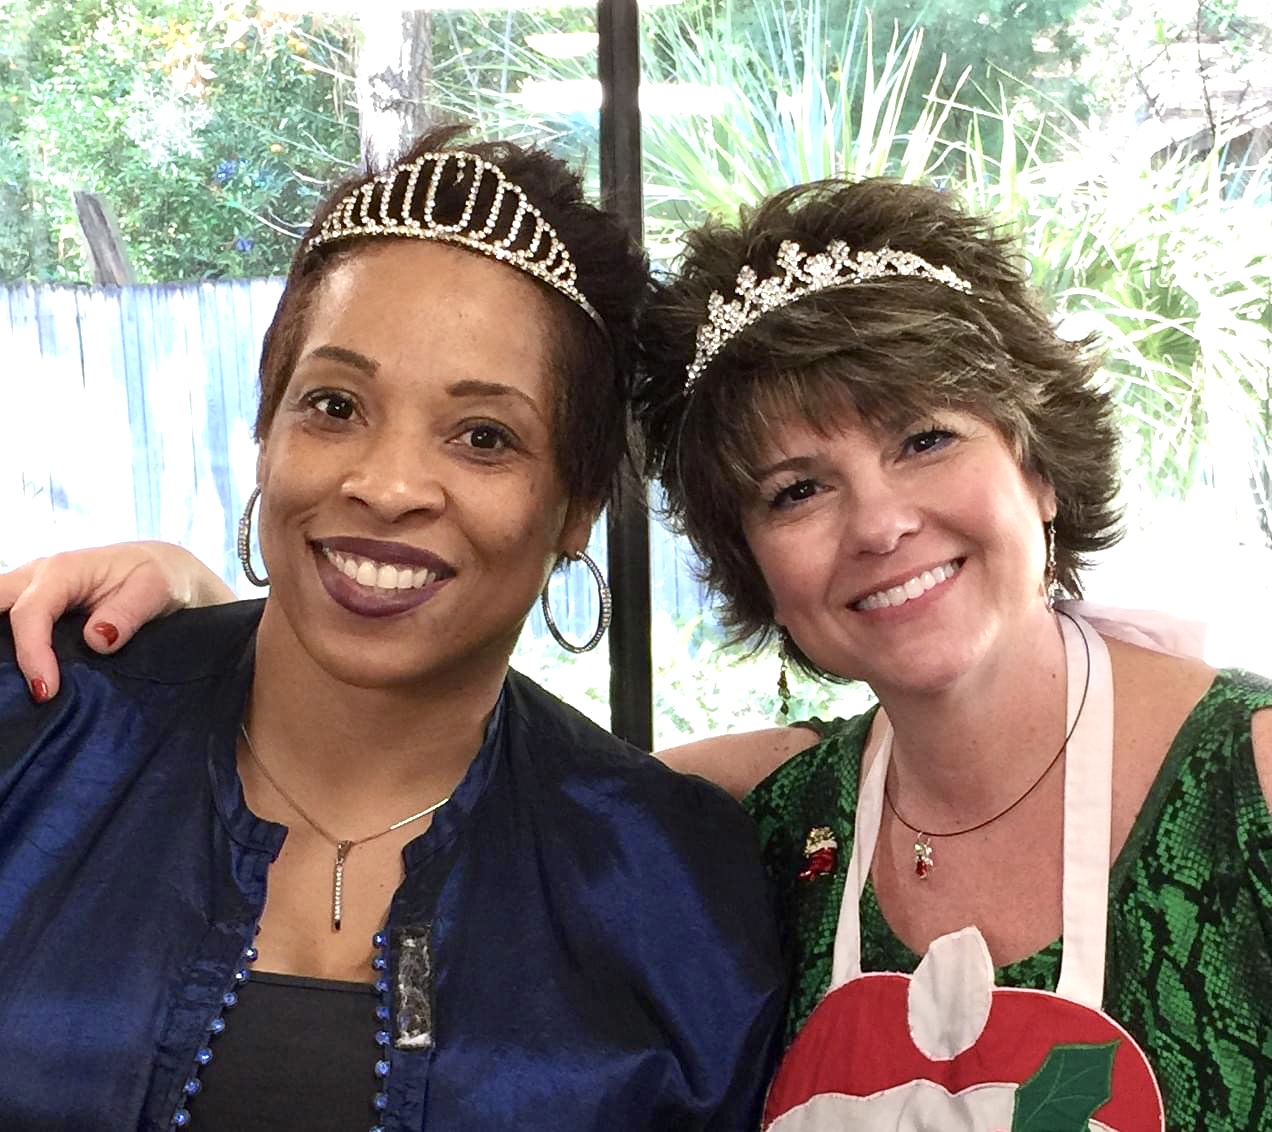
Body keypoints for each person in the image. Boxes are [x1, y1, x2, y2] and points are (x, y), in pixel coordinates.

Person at [8, 178, 1272, 1129]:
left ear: (1038, 463)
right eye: (795, 489)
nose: (880, 523)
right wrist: (195, 607)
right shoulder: (760, 819)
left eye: (927, 438)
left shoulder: (1247, 785)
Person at [0, 127, 786, 1131]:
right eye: (335, 406)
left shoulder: (673, 886)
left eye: (484, 436)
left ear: (577, 507)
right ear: (266, 432)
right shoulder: (39, 727)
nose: (387, 485)